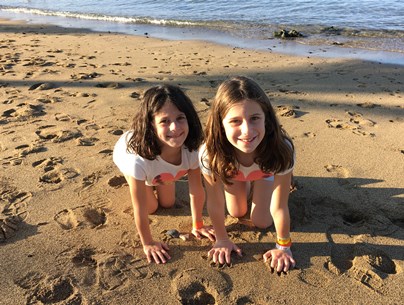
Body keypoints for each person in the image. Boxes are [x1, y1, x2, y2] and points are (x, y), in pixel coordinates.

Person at [199, 76, 296, 272]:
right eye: (235, 121)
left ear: (266, 119)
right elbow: (215, 202)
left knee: (262, 221)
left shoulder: (282, 149)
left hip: (264, 172)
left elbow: (280, 206)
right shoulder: (209, 154)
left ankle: (260, 182)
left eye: (254, 119)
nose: (247, 130)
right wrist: (222, 239)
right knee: (235, 212)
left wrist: (283, 246)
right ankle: (245, 183)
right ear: (221, 123)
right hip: (233, 173)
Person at [113, 84, 214, 264]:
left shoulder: (193, 150)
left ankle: (160, 178)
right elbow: (139, 208)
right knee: (151, 207)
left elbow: (196, 190)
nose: (175, 127)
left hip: (161, 169)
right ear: (151, 124)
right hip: (131, 155)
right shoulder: (137, 160)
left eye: (180, 118)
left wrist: (197, 224)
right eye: (164, 121)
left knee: (168, 203)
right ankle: (141, 181)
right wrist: (148, 243)